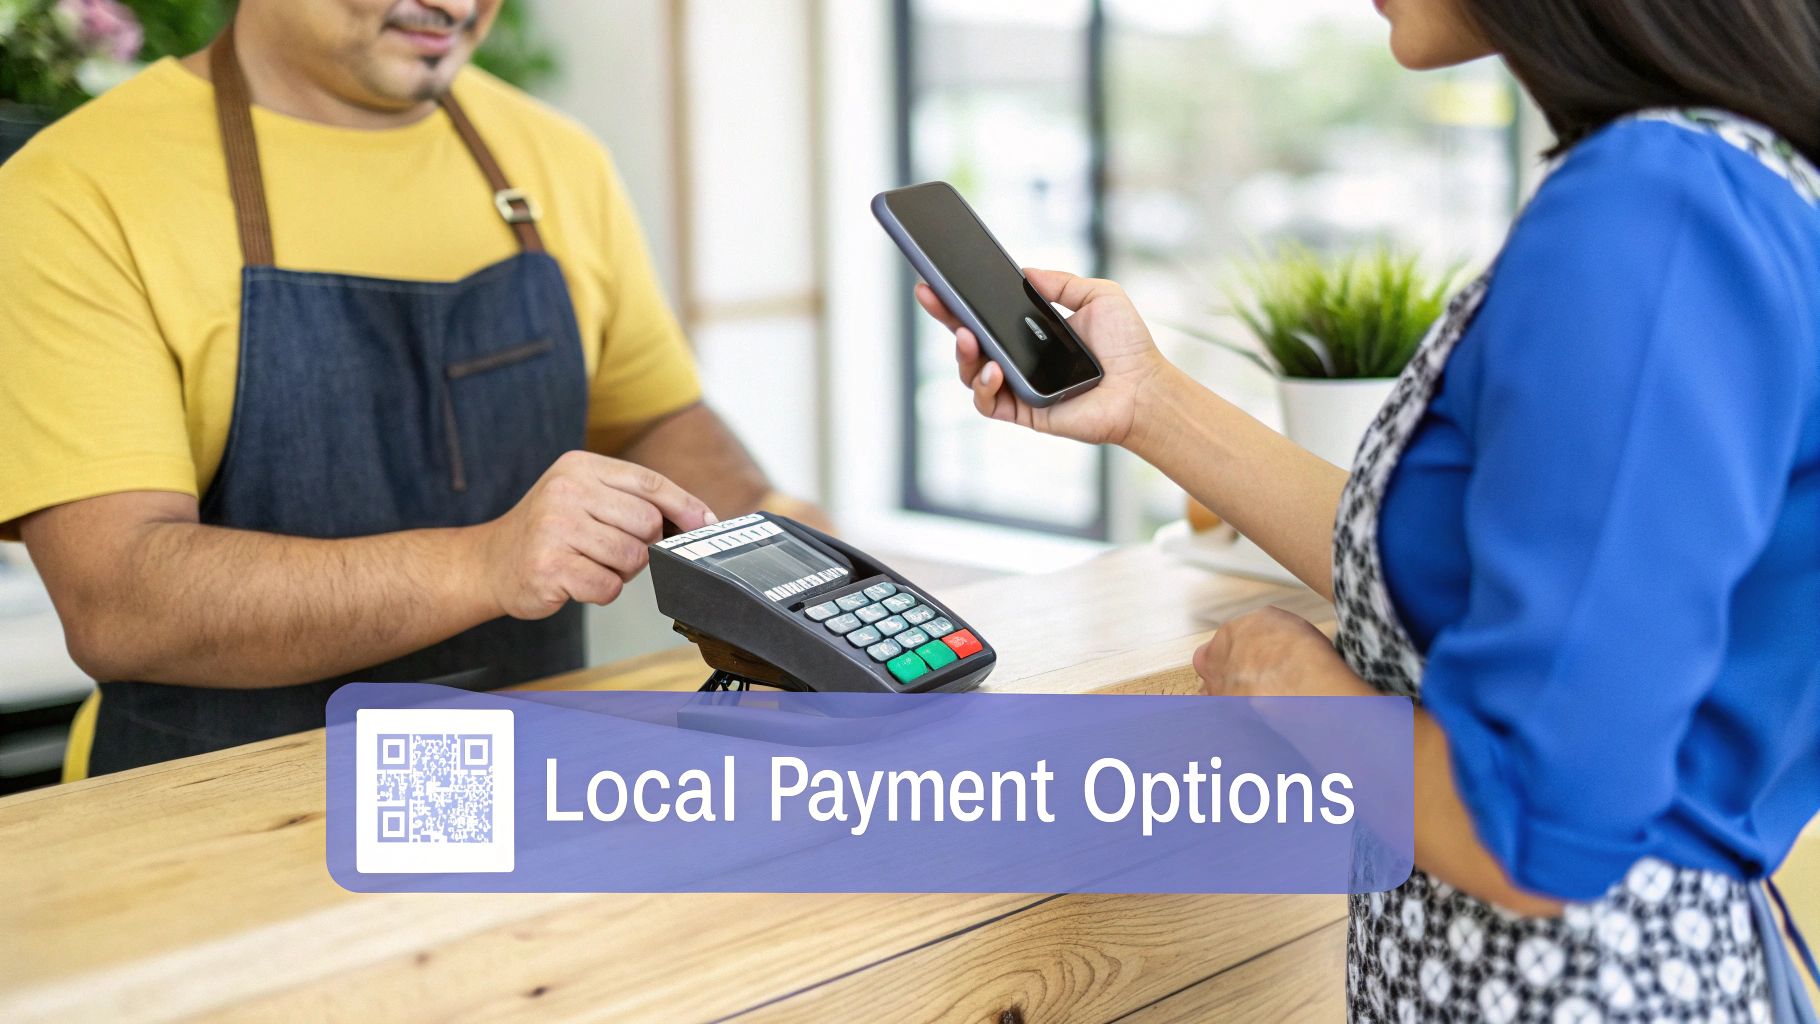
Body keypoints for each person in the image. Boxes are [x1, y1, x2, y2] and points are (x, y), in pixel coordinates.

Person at [915, 0, 1820, 1018]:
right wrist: (1147, 402)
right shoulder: (1730, 183)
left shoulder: (1651, 215)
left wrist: (1292, 679)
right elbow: (1473, 577)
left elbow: (1527, 825)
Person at [0, 1, 818, 778]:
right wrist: (483, 564)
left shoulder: (555, 159)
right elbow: (119, 601)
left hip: (522, 787)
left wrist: (789, 553)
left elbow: (651, 422)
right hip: (206, 822)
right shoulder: (75, 191)